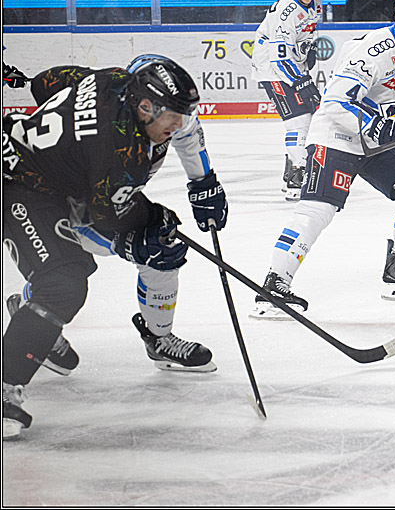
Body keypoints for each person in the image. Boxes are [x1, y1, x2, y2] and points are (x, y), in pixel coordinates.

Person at [2, 56, 228, 439]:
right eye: (172, 117)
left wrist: (203, 183)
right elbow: (108, 214)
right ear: (145, 106)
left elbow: (47, 82)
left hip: (60, 182)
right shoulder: (121, 148)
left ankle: (156, 338)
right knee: (63, 283)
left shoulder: (115, 81)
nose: (178, 126)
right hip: (19, 183)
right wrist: (157, 216)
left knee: (156, 247)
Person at [252, 0, 395, 317]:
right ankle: (274, 285)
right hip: (336, 135)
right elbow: (338, 102)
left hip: (370, 139)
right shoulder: (375, 49)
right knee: (317, 211)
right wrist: (383, 127)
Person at [250, 0, 322, 201]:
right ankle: (296, 179)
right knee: (299, 121)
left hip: (291, 64)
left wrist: (308, 50)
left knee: (310, 116)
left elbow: (304, 34)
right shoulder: (286, 12)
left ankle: (292, 171)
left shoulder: (315, 4)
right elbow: (278, 58)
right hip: (272, 68)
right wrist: (300, 81)